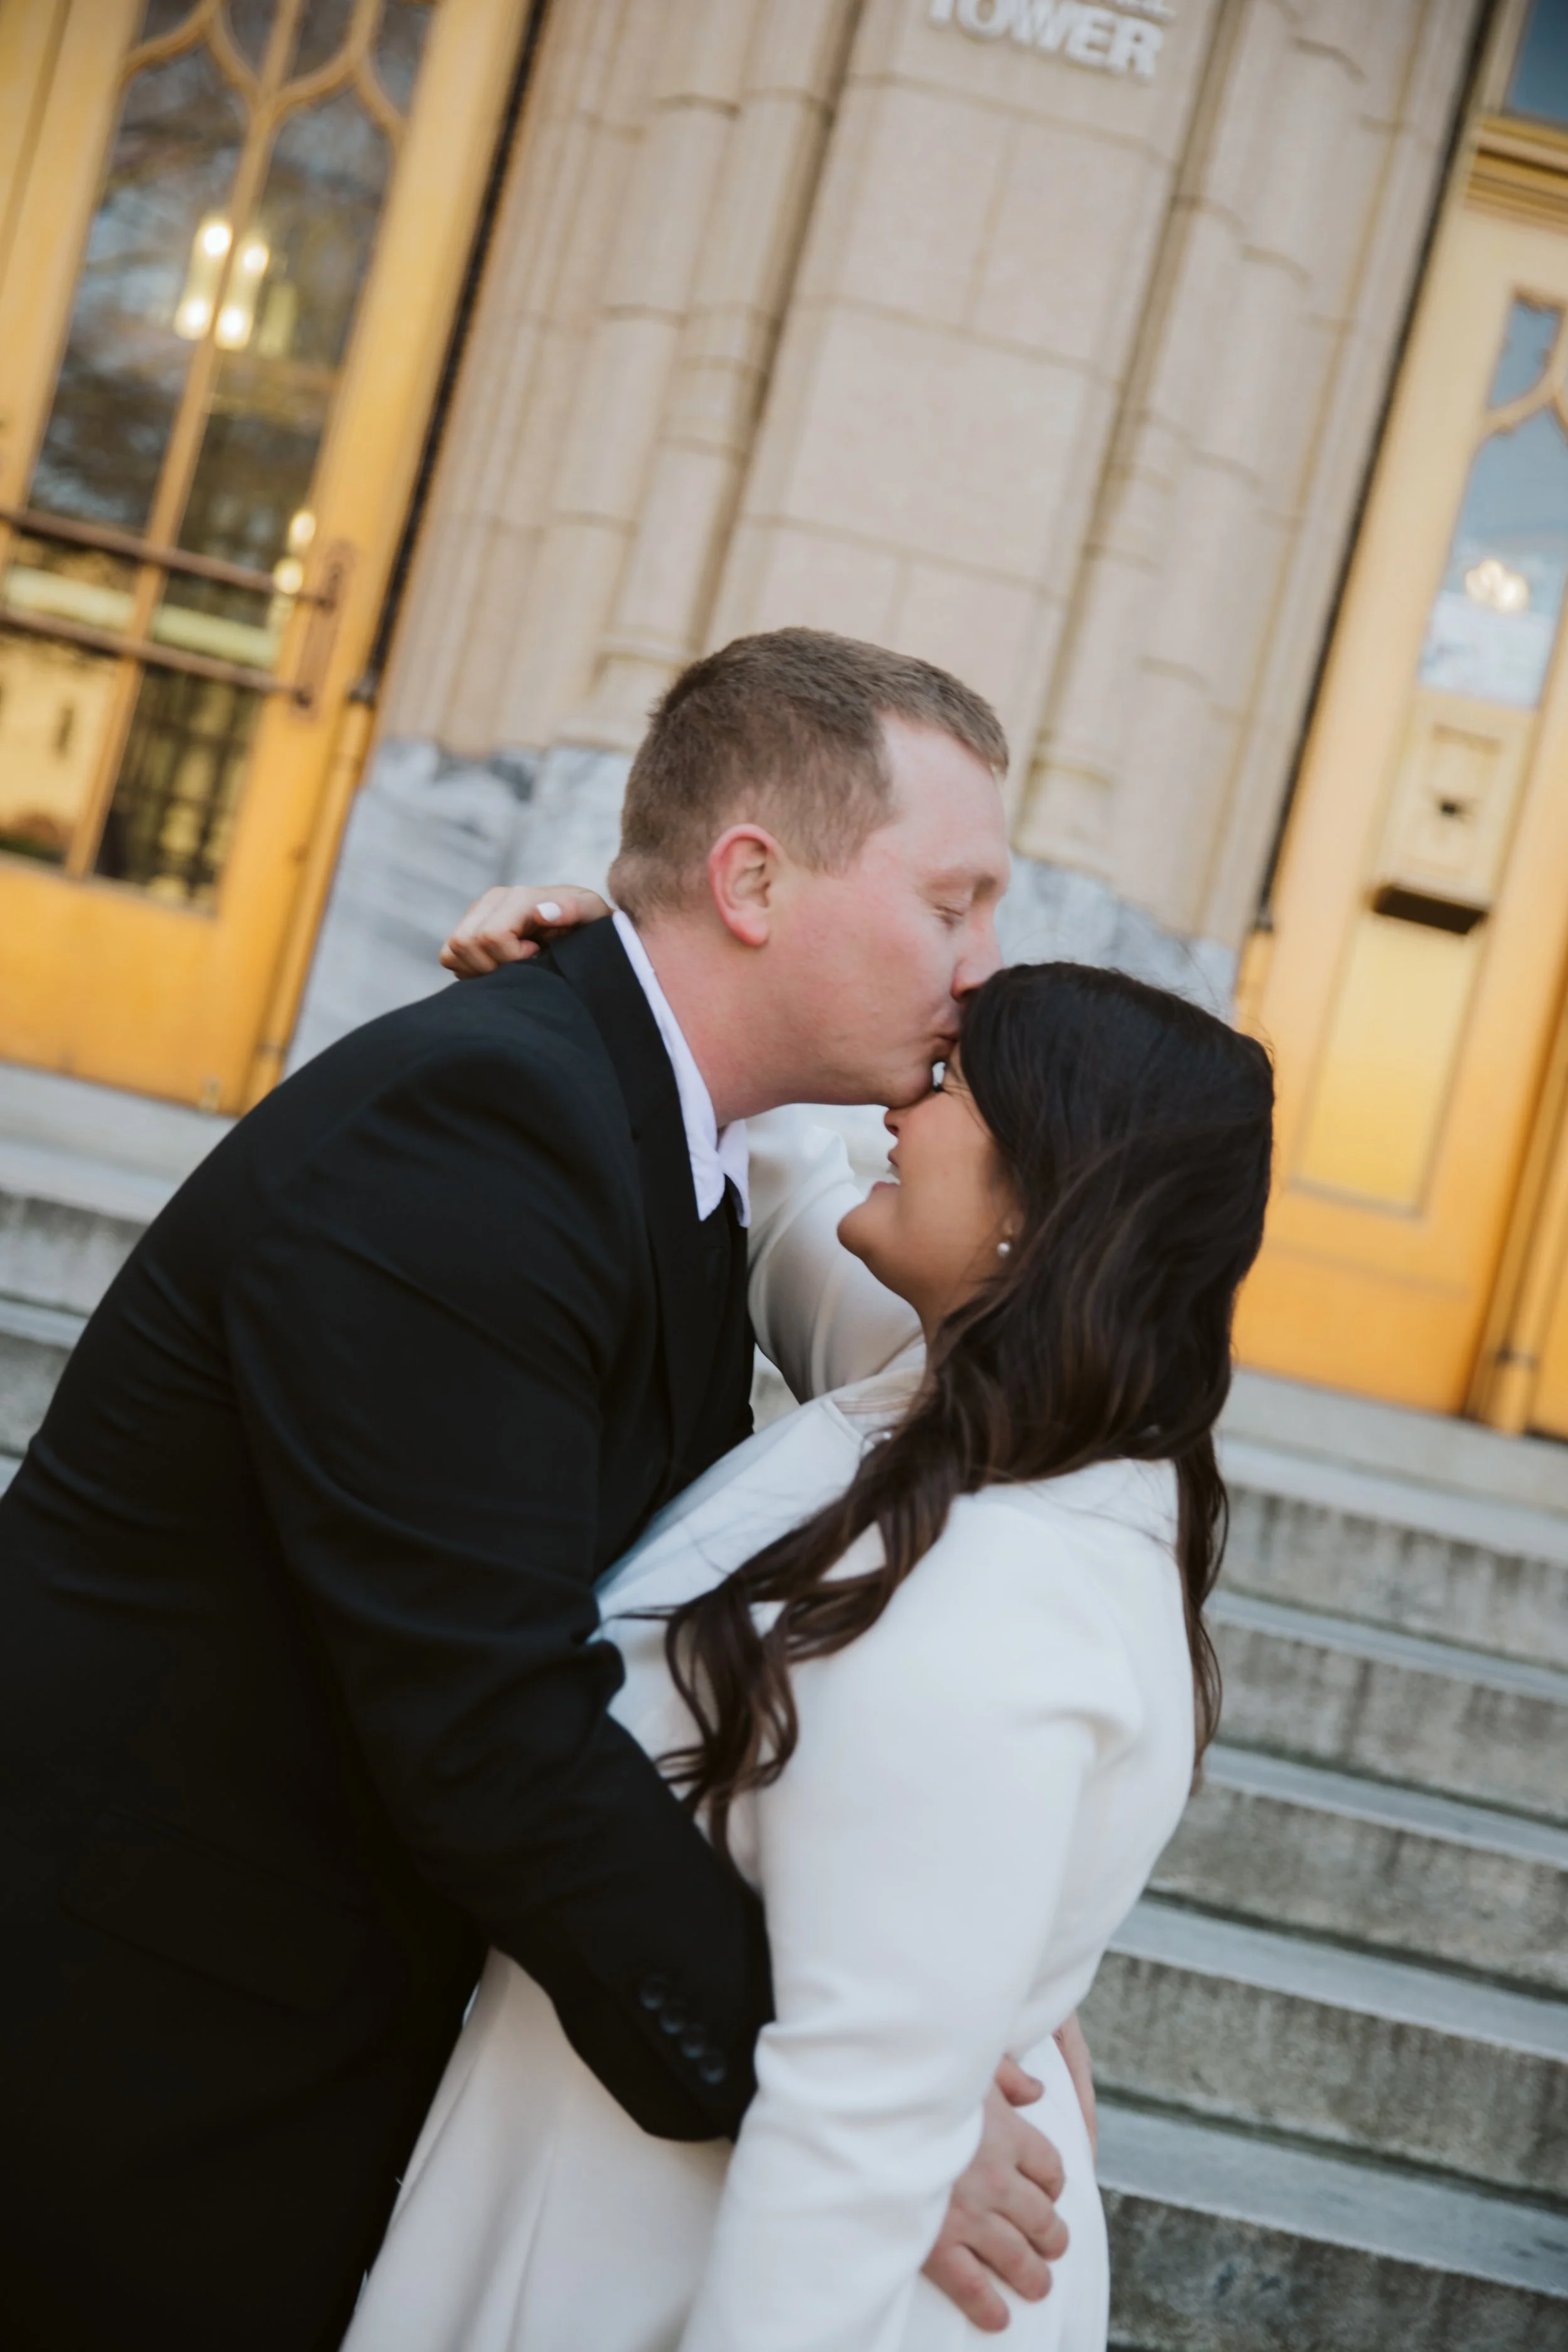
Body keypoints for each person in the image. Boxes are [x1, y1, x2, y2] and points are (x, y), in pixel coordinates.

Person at [0, 630, 1076, 2352]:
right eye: (952, 902)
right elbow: (491, 1725)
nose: (987, 963)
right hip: (127, 2056)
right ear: (751, 878)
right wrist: (854, 2104)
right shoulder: (487, 1122)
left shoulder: (640, 1120)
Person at [343, 919, 1275, 2352]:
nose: (897, 1106)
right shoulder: (951, 1410)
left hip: (753, 2260)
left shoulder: (999, 1582)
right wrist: (636, 969)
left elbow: (850, 2144)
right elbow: (782, 1193)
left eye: (953, 1082)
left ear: (1048, 1182)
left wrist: (983, 2013)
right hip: (618, 2180)